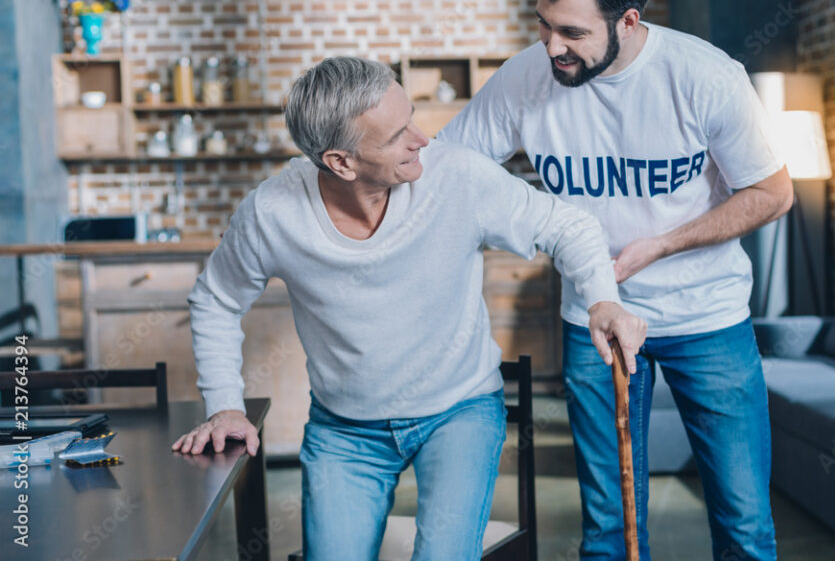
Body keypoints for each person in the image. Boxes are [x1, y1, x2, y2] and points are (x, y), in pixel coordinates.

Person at [171, 56, 647, 560]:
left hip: (458, 412)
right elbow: (216, 299)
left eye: (412, 119)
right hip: (345, 429)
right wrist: (225, 404)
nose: (422, 139)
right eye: (397, 134)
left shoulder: (456, 176)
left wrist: (602, 301)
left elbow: (568, 227)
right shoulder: (272, 213)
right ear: (341, 162)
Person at [437, 0, 793, 561]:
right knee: (607, 529)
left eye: (573, 33)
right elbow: (446, 170)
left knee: (744, 526)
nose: (553, 46)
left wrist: (658, 246)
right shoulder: (526, 76)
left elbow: (771, 193)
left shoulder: (706, 77)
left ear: (628, 21)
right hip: (593, 322)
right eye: (545, 24)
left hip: (706, 318)